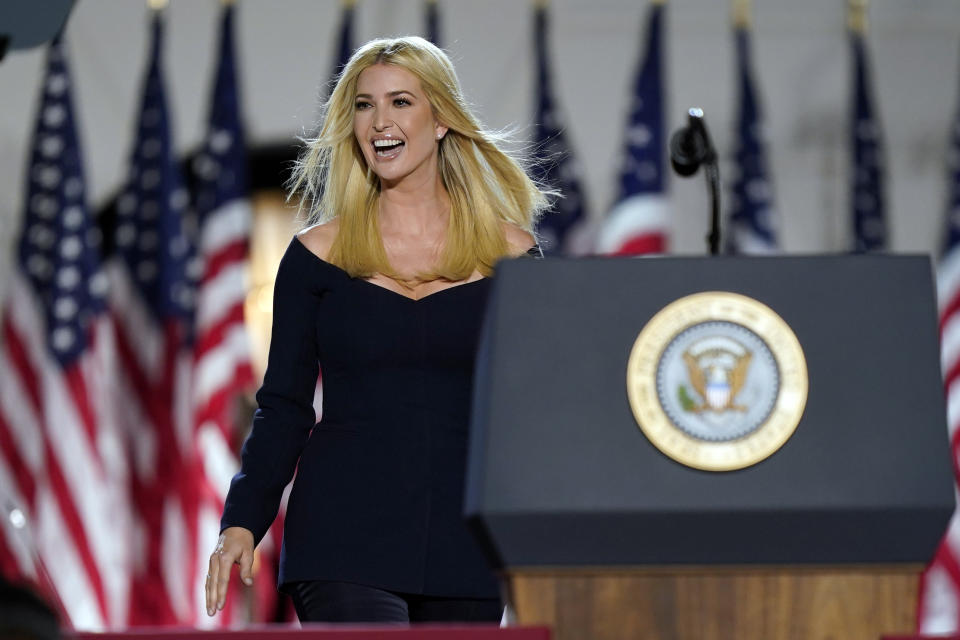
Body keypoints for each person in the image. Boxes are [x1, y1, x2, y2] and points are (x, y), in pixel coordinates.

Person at [204, 36, 550, 623]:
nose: (379, 122)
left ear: (442, 119)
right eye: (364, 105)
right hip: (342, 533)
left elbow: (531, 409)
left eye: (401, 103)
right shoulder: (316, 256)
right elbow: (283, 406)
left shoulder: (511, 256)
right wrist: (243, 520)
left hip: (464, 536)